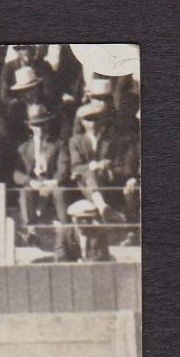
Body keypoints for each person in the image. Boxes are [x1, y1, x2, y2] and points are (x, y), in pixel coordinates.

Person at [14, 102, 70, 239]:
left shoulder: (58, 144)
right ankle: (31, 230)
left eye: (42, 124)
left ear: (48, 124)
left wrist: (53, 182)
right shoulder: (24, 147)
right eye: (35, 125)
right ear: (29, 126)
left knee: (60, 192)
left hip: (52, 182)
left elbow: (63, 167)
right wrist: (30, 182)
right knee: (25, 192)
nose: (40, 128)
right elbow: (16, 173)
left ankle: (66, 231)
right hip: (34, 183)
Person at [52, 198, 112, 262]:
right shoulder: (65, 233)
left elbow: (102, 256)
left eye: (89, 218)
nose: (85, 221)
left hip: (92, 268)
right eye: (81, 218)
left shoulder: (99, 233)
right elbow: (59, 254)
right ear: (73, 218)